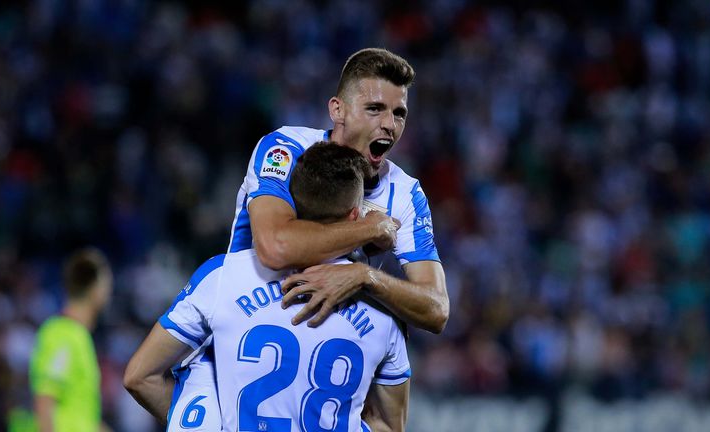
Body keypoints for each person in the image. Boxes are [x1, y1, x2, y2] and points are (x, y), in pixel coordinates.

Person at [164, 47, 449, 430]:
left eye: (399, 113)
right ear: (337, 110)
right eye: (375, 109)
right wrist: (370, 228)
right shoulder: (287, 150)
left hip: (321, 378)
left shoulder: (406, 194)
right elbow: (275, 246)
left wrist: (366, 277)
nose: (390, 125)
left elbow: (436, 309)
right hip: (243, 356)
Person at [124, 142, 411, 432]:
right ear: (354, 216)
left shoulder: (222, 276)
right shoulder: (383, 306)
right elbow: (388, 424)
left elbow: (140, 377)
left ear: (292, 208)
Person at [29, 248, 114, 432]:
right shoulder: (62, 334)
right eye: (107, 284)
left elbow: (82, 417)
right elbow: (44, 401)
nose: (109, 292)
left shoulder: (79, 336)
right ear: (95, 287)